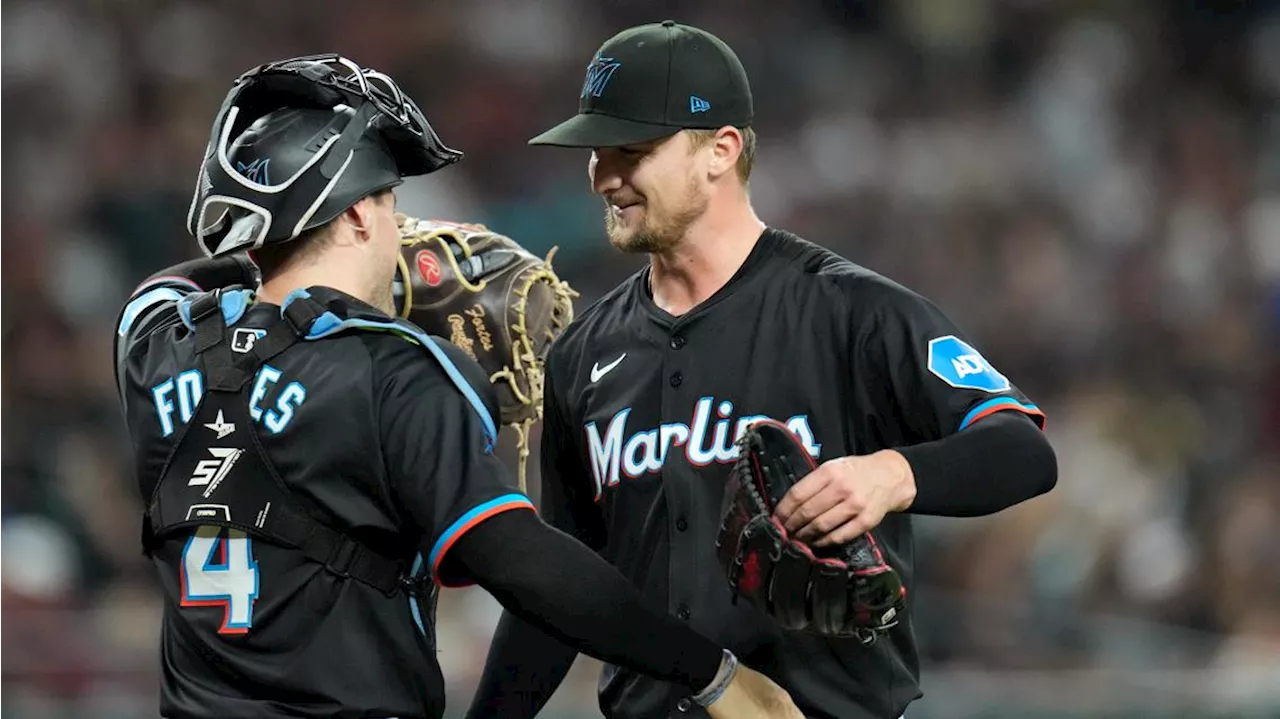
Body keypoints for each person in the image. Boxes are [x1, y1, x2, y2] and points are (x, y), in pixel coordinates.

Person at [111, 54, 802, 719]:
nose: (403, 229)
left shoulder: (156, 347)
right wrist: (711, 672)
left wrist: (285, 248)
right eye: (391, 206)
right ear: (356, 216)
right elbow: (519, 560)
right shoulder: (397, 371)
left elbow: (174, 285)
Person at [465, 21, 1059, 719]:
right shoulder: (584, 356)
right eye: (596, 151)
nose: (602, 175)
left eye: (632, 149)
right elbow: (558, 594)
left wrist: (894, 473)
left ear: (720, 150)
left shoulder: (849, 310)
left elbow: (1022, 452)